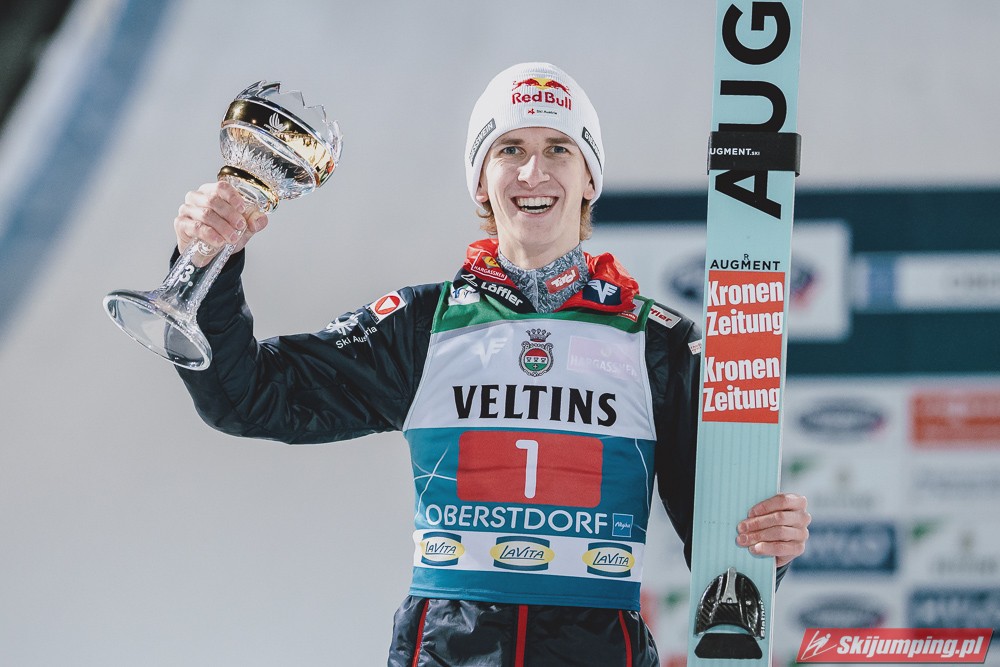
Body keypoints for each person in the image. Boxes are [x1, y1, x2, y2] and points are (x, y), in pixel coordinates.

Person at [172, 62, 810, 666]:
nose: (534, 171)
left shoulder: (657, 345)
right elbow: (247, 397)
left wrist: (768, 544)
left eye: (558, 148)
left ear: (590, 179)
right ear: (480, 180)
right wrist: (207, 263)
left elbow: (722, 550)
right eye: (510, 149)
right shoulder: (420, 326)